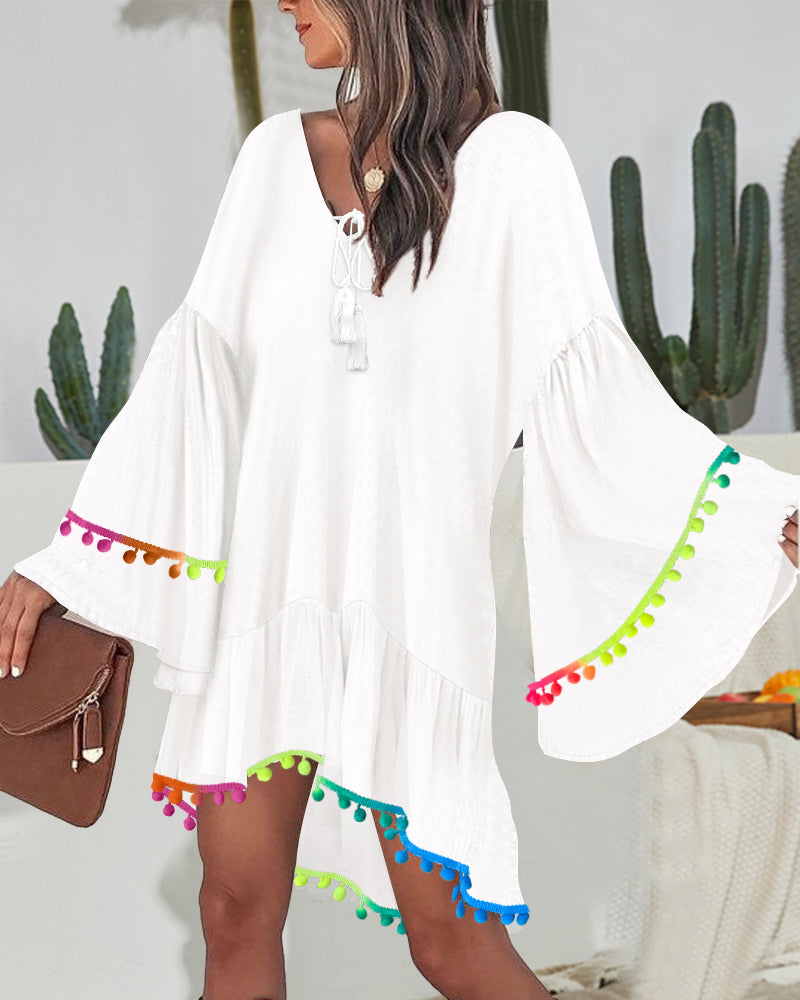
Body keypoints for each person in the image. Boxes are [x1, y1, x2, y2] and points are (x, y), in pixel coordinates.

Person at [2, 2, 799, 999]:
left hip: (416, 618)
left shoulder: (514, 164)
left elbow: (592, 384)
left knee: (449, 945)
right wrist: (70, 566)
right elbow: (194, 377)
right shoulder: (269, 162)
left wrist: (751, 511)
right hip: (263, 611)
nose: (284, 1)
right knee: (232, 910)